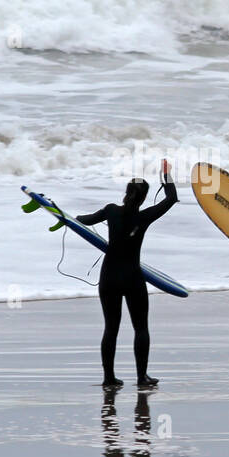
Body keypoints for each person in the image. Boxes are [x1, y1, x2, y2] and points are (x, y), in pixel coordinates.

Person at [77, 159, 178, 389]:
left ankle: (108, 379)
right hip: (132, 277)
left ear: (126, 193)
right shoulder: (143, 217)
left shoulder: (111, 211)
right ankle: (142, 377)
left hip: (109, 277)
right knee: (140, 327)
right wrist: (167, 175)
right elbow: (171, 199)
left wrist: (59, 212)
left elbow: (83, 221)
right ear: (142, 199)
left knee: (110, 328)